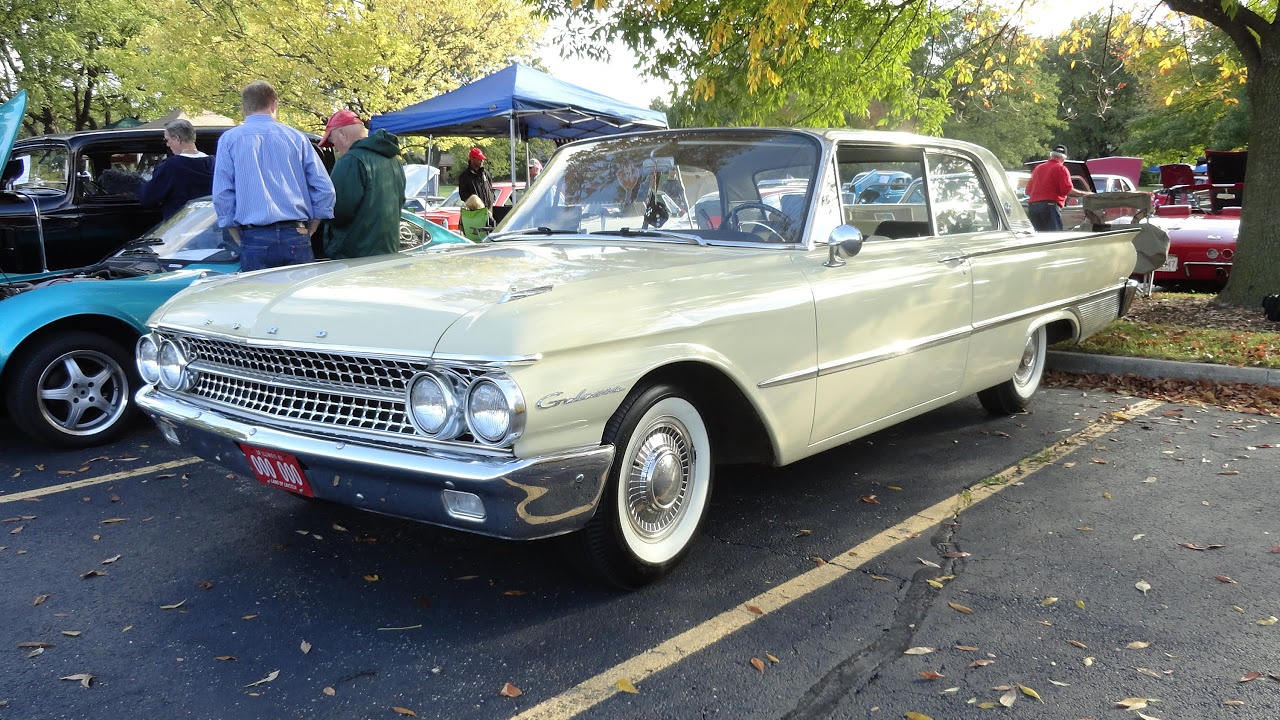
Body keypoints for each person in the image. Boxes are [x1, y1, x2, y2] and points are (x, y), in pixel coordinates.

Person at [213, 80, 335, 271]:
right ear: (273, 105)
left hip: (254, 236)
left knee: (260, 290)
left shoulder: (229, 140)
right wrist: (311, 228)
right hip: (296, 232)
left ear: (244, 108)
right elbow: (324, 188)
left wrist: (235, 234)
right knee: (298, 290)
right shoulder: (297, 138)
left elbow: (222, 194)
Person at [318, 110, 407, 259]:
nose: (335, 148)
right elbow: (400, 201)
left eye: (333, 141)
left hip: (354, 256)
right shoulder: (394, 162)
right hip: (388, 253)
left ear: (342, 134)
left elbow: (337, 211)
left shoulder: (350, 160)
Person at [138, 119, 216, 219]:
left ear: (177, 139)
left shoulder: (170, 166)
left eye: (167, 140)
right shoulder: (215, 163)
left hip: (181, 224)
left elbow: (147, 198)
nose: (167, 144)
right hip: (210, 223)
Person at [1025, 144, 1090, 231]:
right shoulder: (1061, 169)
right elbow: (1067, 190)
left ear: (1051, 155)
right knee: (1054, 236)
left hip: (1033, 207)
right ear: (1064, 158)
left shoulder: (1038, 168)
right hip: (1050, 207)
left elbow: (1028, 191)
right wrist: (1087, 194)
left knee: (1038, 237)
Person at [457, 147, 495, 211]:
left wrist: (493, 199)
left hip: (489, 209)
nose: (482, 161)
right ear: (472, 159)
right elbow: (463, 195)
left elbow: (490, 188)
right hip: (475, 211)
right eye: (479, 159)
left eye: (482, 159)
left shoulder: (485, 173)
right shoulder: (465, 176)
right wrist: (474, 204)